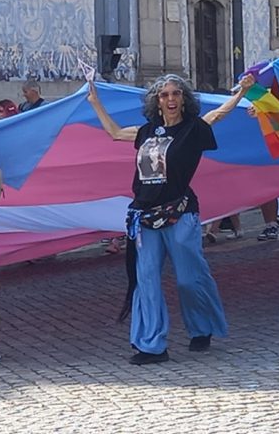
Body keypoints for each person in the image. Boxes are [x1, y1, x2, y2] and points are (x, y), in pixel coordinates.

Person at [87, 73, 255, 365]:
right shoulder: (146, 132)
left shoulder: (193, 129)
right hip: (145, 216)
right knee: (146, 279)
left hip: (180, 213)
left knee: (189, 279)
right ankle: (151, 345)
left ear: (184, 99)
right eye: (164, 95)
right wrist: (94, 101)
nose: (171, 99)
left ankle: (202, 329)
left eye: (176, 93)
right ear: (157, 101)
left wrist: (241, 94)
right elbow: (114, 132)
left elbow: (217, 115)